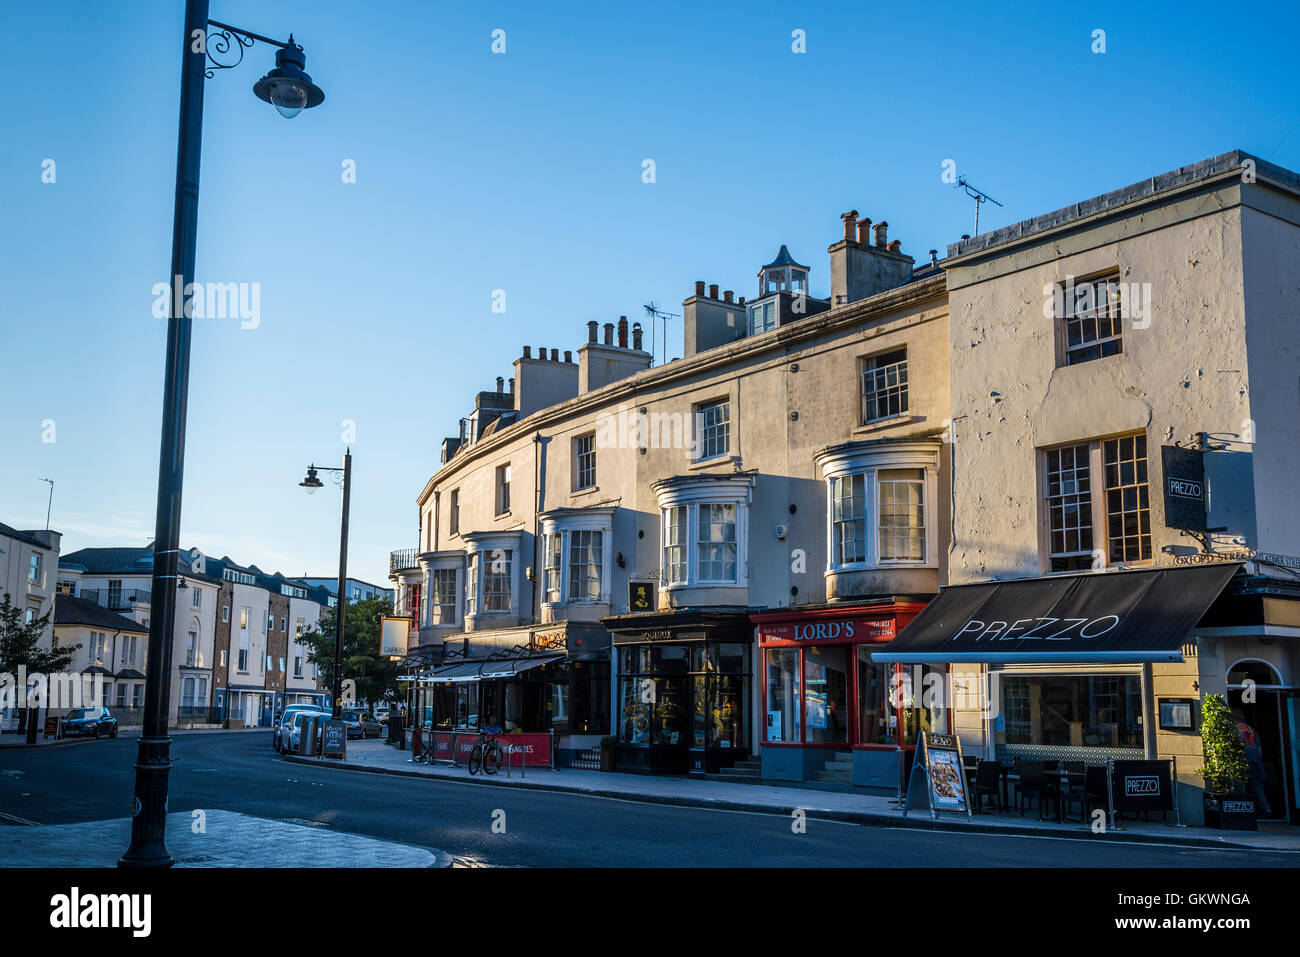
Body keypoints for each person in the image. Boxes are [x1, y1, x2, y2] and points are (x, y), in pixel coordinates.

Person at [1233, 709, 1272, 816]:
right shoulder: (1251, 729)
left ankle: (1243, 809)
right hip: (1254, 758)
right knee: (1256, 785)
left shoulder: (1235, 729)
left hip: (1244, 757)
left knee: (1241, 785)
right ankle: (1266, 808)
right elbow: (1259, 748)